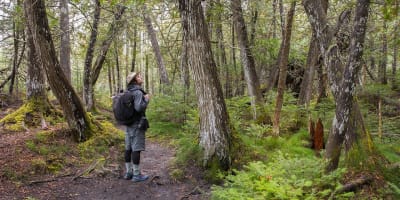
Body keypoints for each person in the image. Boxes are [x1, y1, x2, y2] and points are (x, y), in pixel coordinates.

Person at [123, 72, 150, 182]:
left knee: (128, 148)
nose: (141, 77)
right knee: (136, 149)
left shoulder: (128, 92)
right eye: (138, 76)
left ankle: (128, 173)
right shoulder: (138, 92)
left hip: (128, 124)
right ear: (134, 80)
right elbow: (139, 108)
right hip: (137, 124)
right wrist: (147, 100)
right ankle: (136, 175)